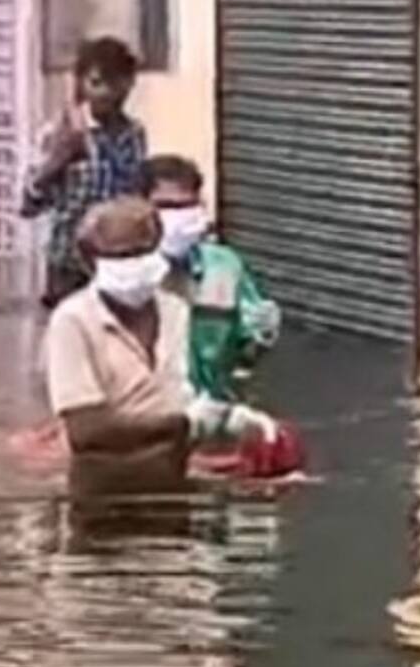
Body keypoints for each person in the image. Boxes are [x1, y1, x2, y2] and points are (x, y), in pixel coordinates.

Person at [42, 198, 259, 493]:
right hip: (104, 490)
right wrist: (184, 424)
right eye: (121, 255)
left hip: (175, 477)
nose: (134, 264)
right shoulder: (73, 321)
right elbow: (86, 432)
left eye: (143, 251)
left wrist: (230, 419)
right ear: (90, 261)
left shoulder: (177, 311)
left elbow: (199, 387)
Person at [142, 154, 283, 403]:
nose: (178, 216)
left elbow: (246, 349)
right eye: (166, 206)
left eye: (187, 206)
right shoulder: (125, 276)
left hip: (211, 408)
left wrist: (260, 335)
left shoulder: (223, 266)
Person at [23, 36, 150, 309]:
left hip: (119, 263)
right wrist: (58, 160)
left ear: (129, 83)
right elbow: (27, 204)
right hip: (69, 267)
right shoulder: (59, 132)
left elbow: (136, 194)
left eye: (117, 83)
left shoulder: (134, 134)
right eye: (96, 83)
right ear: (81, 83)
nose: (106, 93)